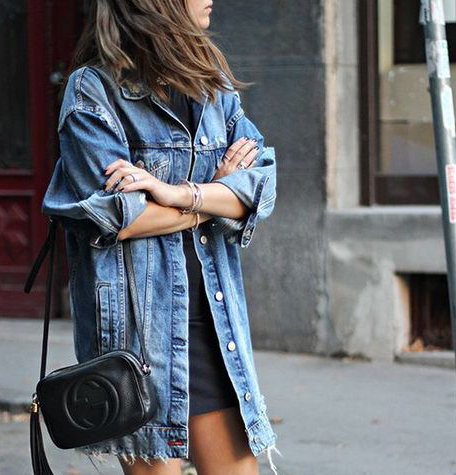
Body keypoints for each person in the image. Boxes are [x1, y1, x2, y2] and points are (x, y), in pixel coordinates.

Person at [41, 0, 281, 474]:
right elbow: (120, 217)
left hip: (215, 330)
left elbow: (260, 187)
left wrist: (174, 193)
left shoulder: (211, 83)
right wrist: (211, 197)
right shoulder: (94, 92)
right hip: (140, 340)